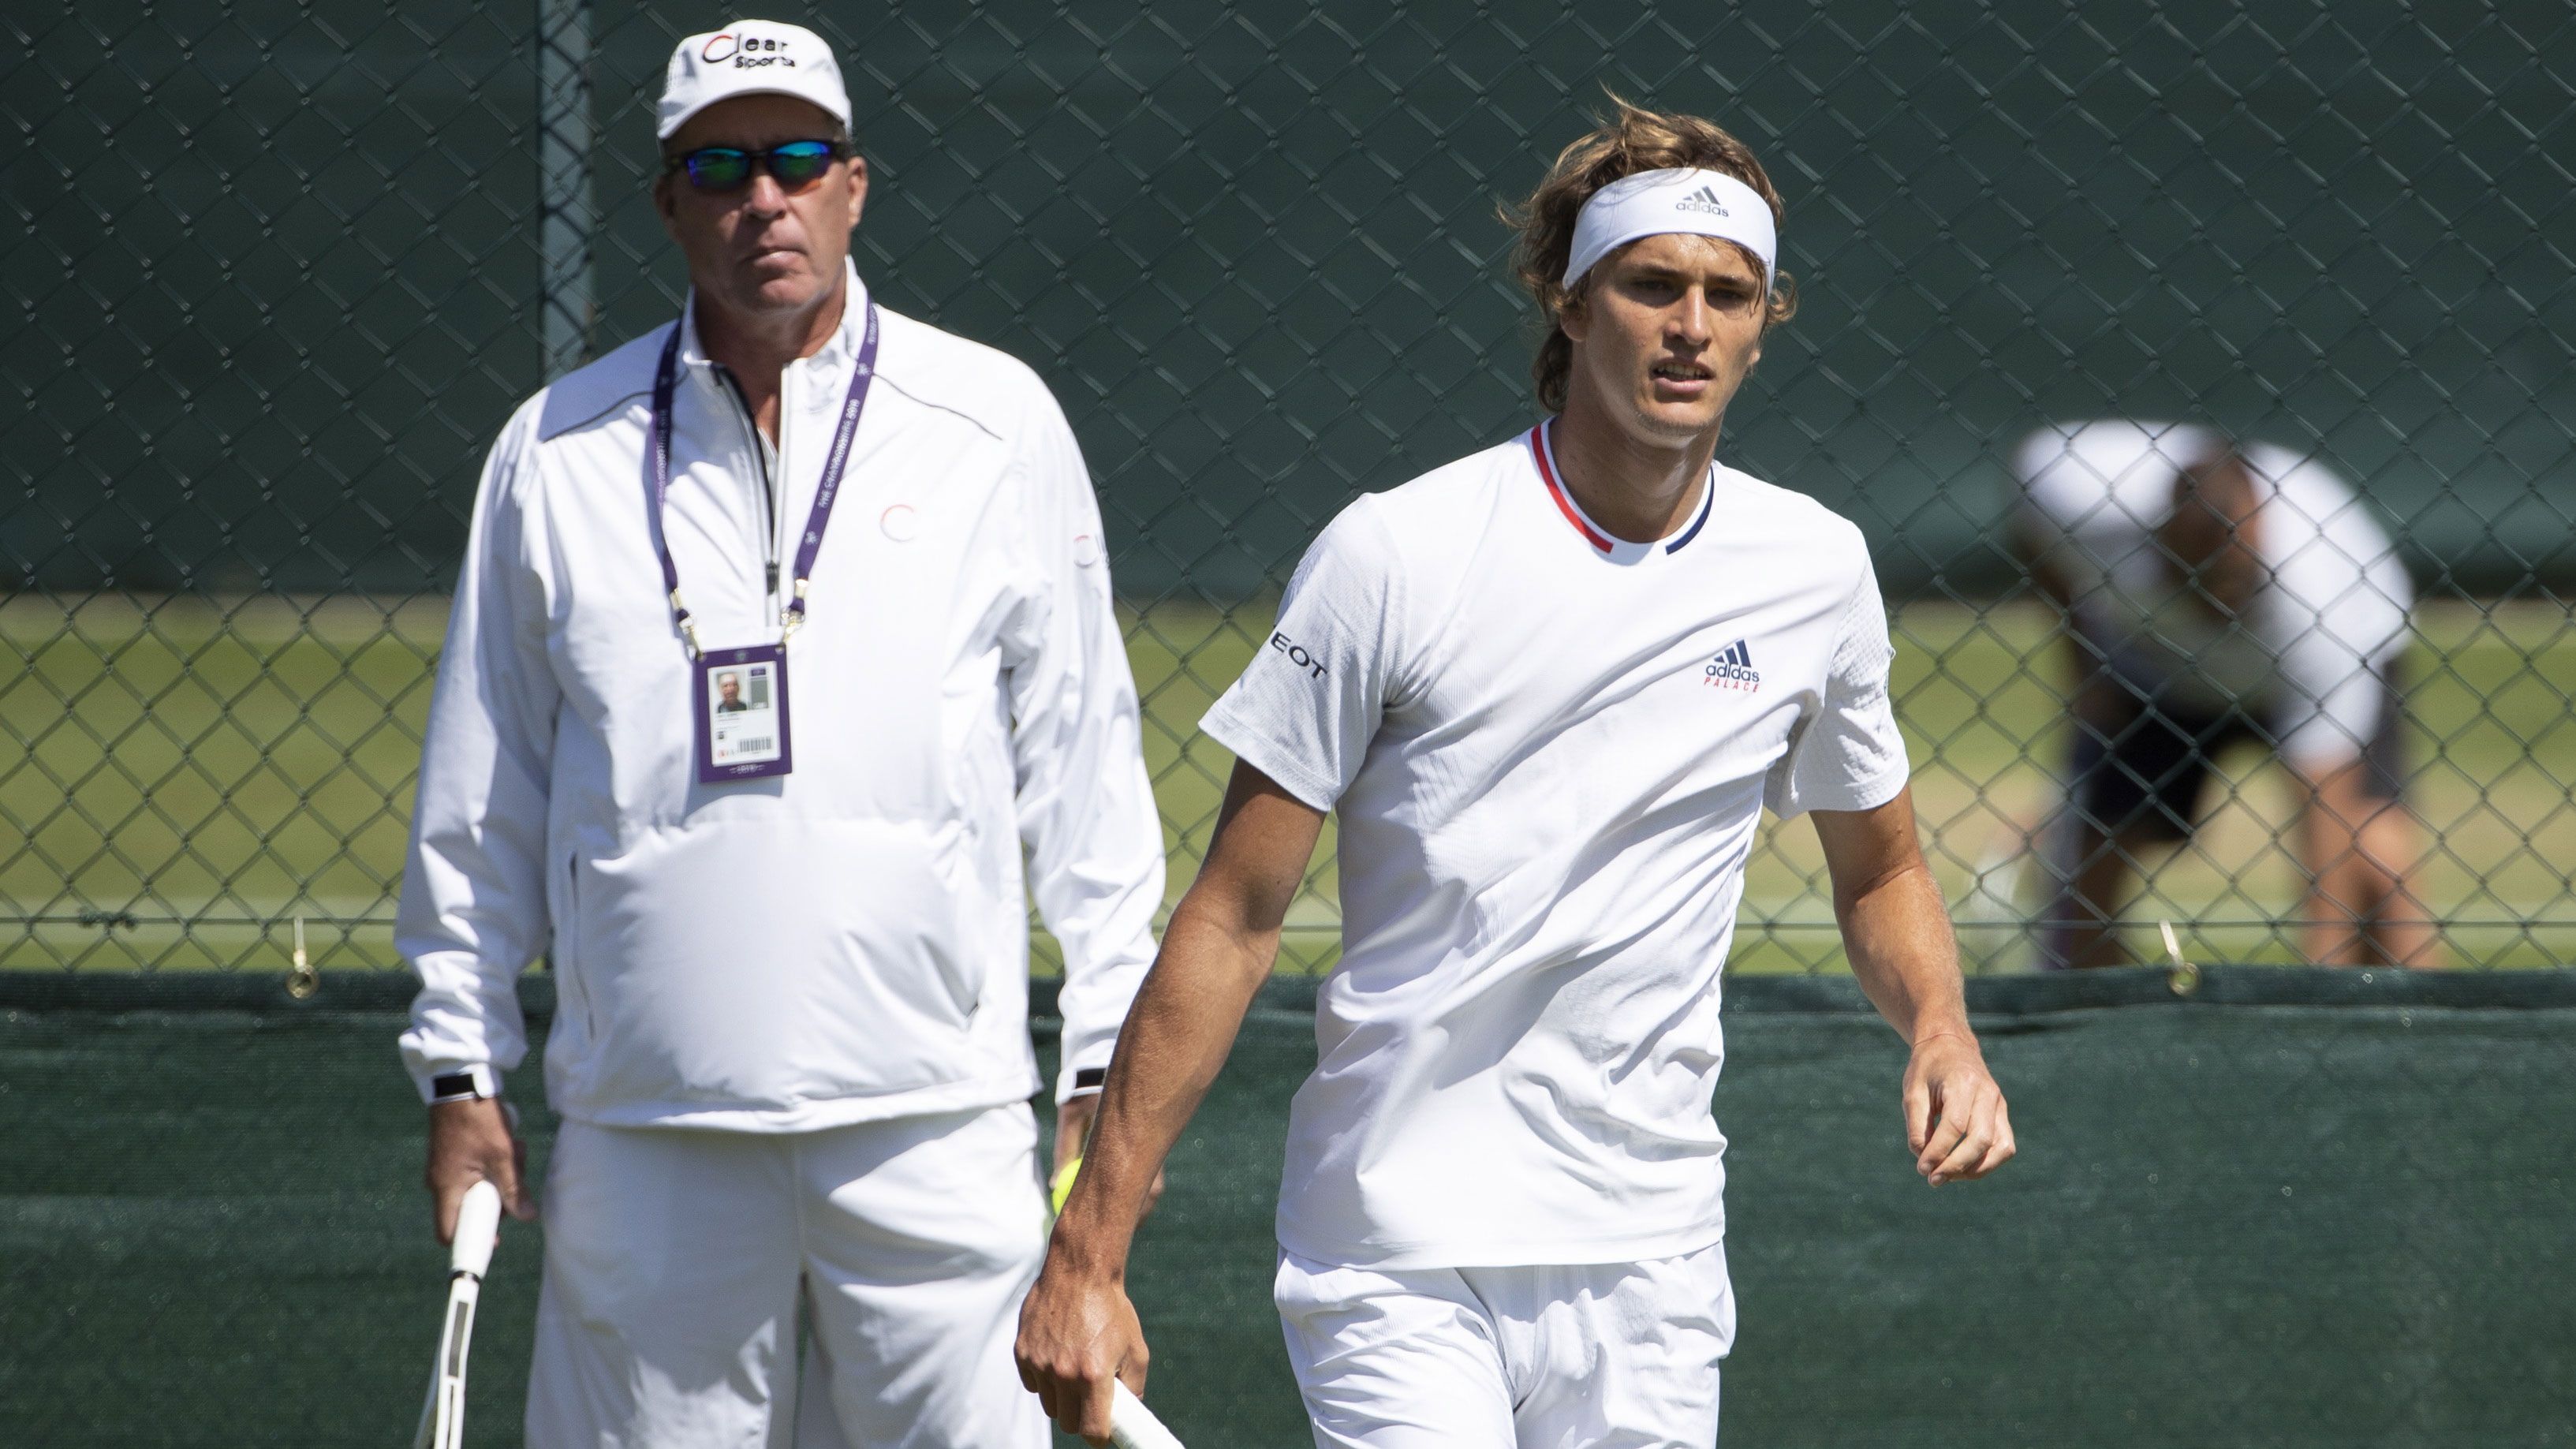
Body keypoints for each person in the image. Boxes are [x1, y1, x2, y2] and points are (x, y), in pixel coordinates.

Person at [1016, 100, 2014, 1448]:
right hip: (1394, 1247)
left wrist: (1941, 1028)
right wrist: (1090, 1247)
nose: (1690, 326)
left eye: (1729, 293)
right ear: (1568, 296)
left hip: (1653, 1257)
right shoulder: (1394, 554)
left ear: (1769, 317)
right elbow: (1235, 914)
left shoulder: (1816, 571)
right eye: (1652, 284)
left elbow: (1881, 864)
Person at [394, 20, 1165, 1447]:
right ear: (669, 199)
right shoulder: (551, 448)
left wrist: (1101, 1071)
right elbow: (480, 785)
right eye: (723, 165)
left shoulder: (992, 419)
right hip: (650, 1126)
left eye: (799, 158)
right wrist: (462, 1067)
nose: (766, 197)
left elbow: (1086, 770)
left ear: (855, 185)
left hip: (939, 1117)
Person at [2011, 420, 2434, 969]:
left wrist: (2318, 1003)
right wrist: (2082, 657)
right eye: (2203, 586)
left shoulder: (2324, 602)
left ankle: (2414, 1036)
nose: (2224, 605)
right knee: (2089, 863)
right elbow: (2031, 529)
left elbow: (2323, 829)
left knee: (2375, 858)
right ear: (2159, 545)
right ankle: (2080, 1030)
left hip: (2307, 668)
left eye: (2236, 585)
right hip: (2159, 670)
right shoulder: (2074, 490)